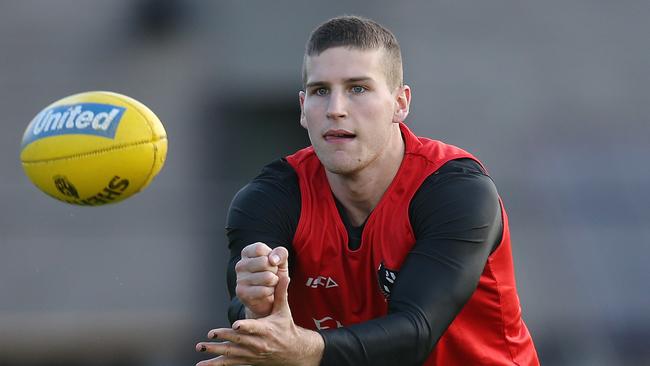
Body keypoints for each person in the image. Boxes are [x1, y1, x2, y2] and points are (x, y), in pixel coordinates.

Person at [196, 15, 539, 366]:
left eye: (358, 88)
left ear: (400, 103)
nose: (336, 110)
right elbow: (259, 323)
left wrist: (301, 349)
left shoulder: (455, 191)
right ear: (302, 108)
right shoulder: (270, 198)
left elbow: (415, 331)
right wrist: (257, 313)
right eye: (320, 91)